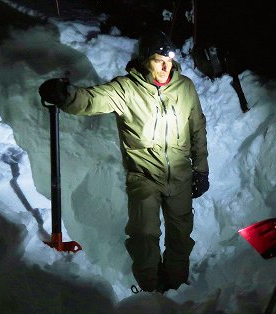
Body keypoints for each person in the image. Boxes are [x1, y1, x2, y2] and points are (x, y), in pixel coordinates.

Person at [38, 29, 209, 293]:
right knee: (144, 235)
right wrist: (68, 96)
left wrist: (201, 170)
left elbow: (197, 128)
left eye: (169, 60)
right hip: (143, 176)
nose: (165, 66)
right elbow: (93, 99)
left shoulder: (185, 87)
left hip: (180, 176)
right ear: (144, 61)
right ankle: (151, 291)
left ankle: (176, 287)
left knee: (180, 237)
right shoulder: (126, 89)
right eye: (158, 60)